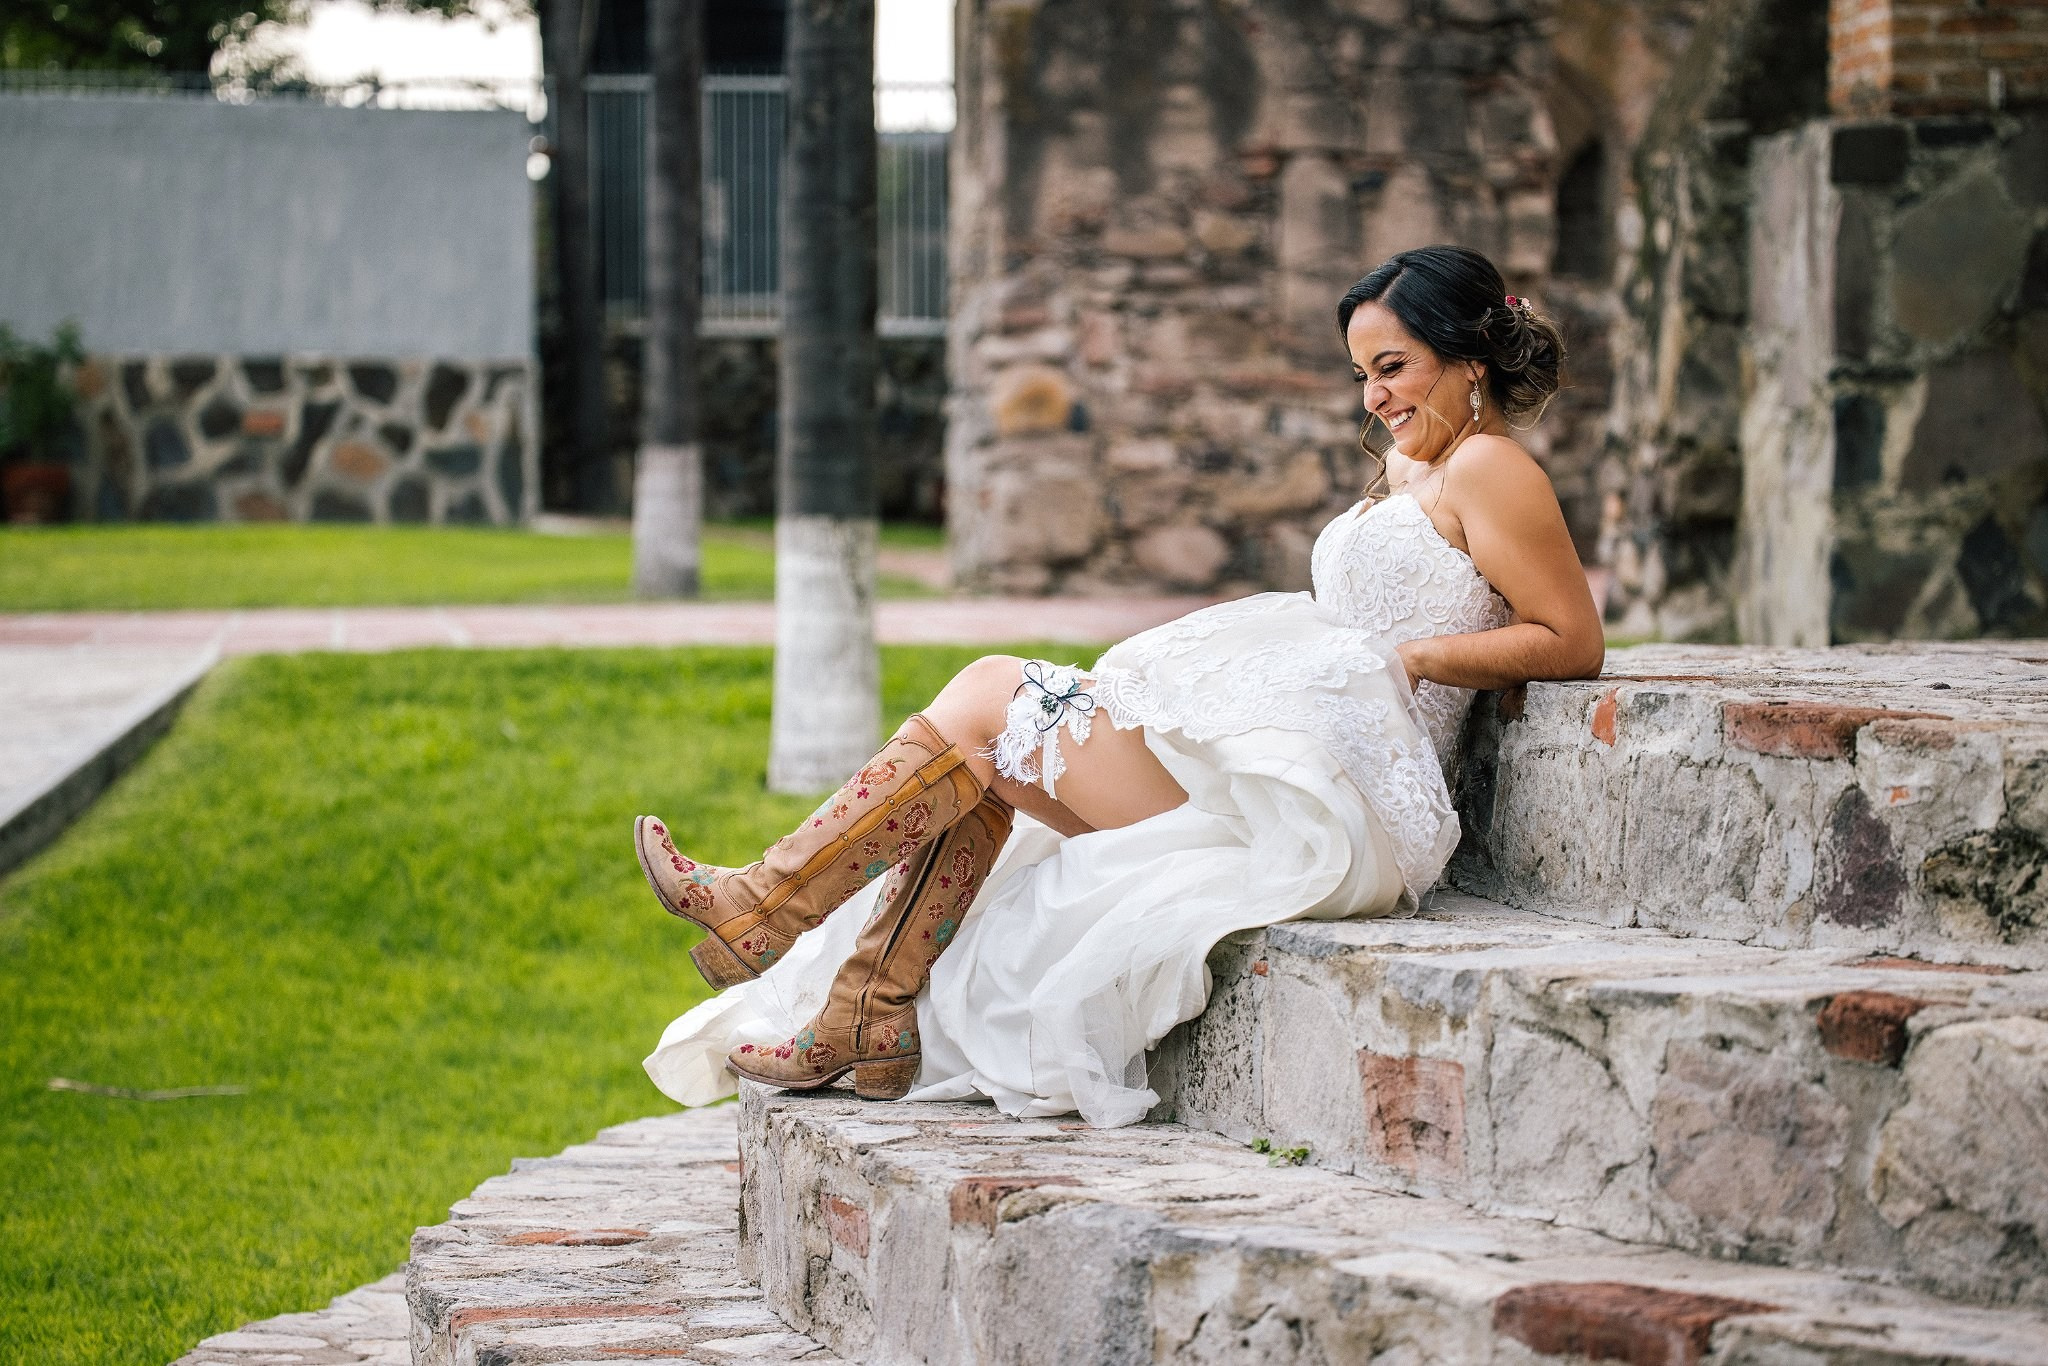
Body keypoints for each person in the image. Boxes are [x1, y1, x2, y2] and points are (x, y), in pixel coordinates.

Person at [639, 244, 1605, 1127]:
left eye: (1393, 369)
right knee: (991, 750)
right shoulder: (1412, 463)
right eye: (1362, 376)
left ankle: (773, 914)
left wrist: (1418, 661)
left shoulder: (1490, 468)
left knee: (990, 699)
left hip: (1339, 794)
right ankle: (860, 1010)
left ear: (1469, 357)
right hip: (1297, 735)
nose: (1374, 400)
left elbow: (1572, 638)